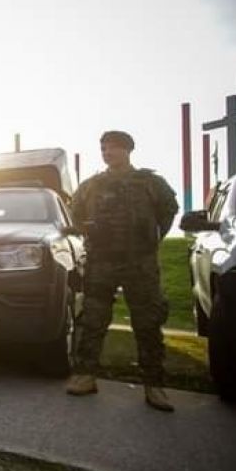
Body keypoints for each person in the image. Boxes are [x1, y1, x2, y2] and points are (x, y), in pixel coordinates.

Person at [65, 130, 179, 412]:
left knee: (147, 322)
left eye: (112, 148)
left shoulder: (150, 183)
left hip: (139, 262)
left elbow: (168, 211)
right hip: (101, 260)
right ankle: (86, 376)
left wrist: (150, 239)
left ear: (127, 150)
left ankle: (154, 385)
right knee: (92, 319)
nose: (107, 152)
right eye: (103, 148)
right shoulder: (92, 185)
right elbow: (76, 213)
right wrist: (88, 230)